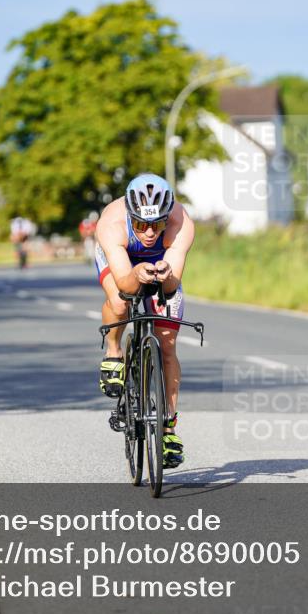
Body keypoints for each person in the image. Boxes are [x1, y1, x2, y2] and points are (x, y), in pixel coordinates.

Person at [95, 173, 194, 469]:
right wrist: (137, 276)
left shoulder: (182, 223)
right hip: (121, 259)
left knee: (167, 347)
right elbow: (126, 285)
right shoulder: (111, 224)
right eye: (141, 224)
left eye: (157, 224)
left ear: (167, 217)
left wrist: (165, 273)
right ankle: (113, 351)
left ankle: (167, 429)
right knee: (120, 302)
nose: (150, 232)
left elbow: (170, 287)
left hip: (161, 259)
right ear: (130, 216)